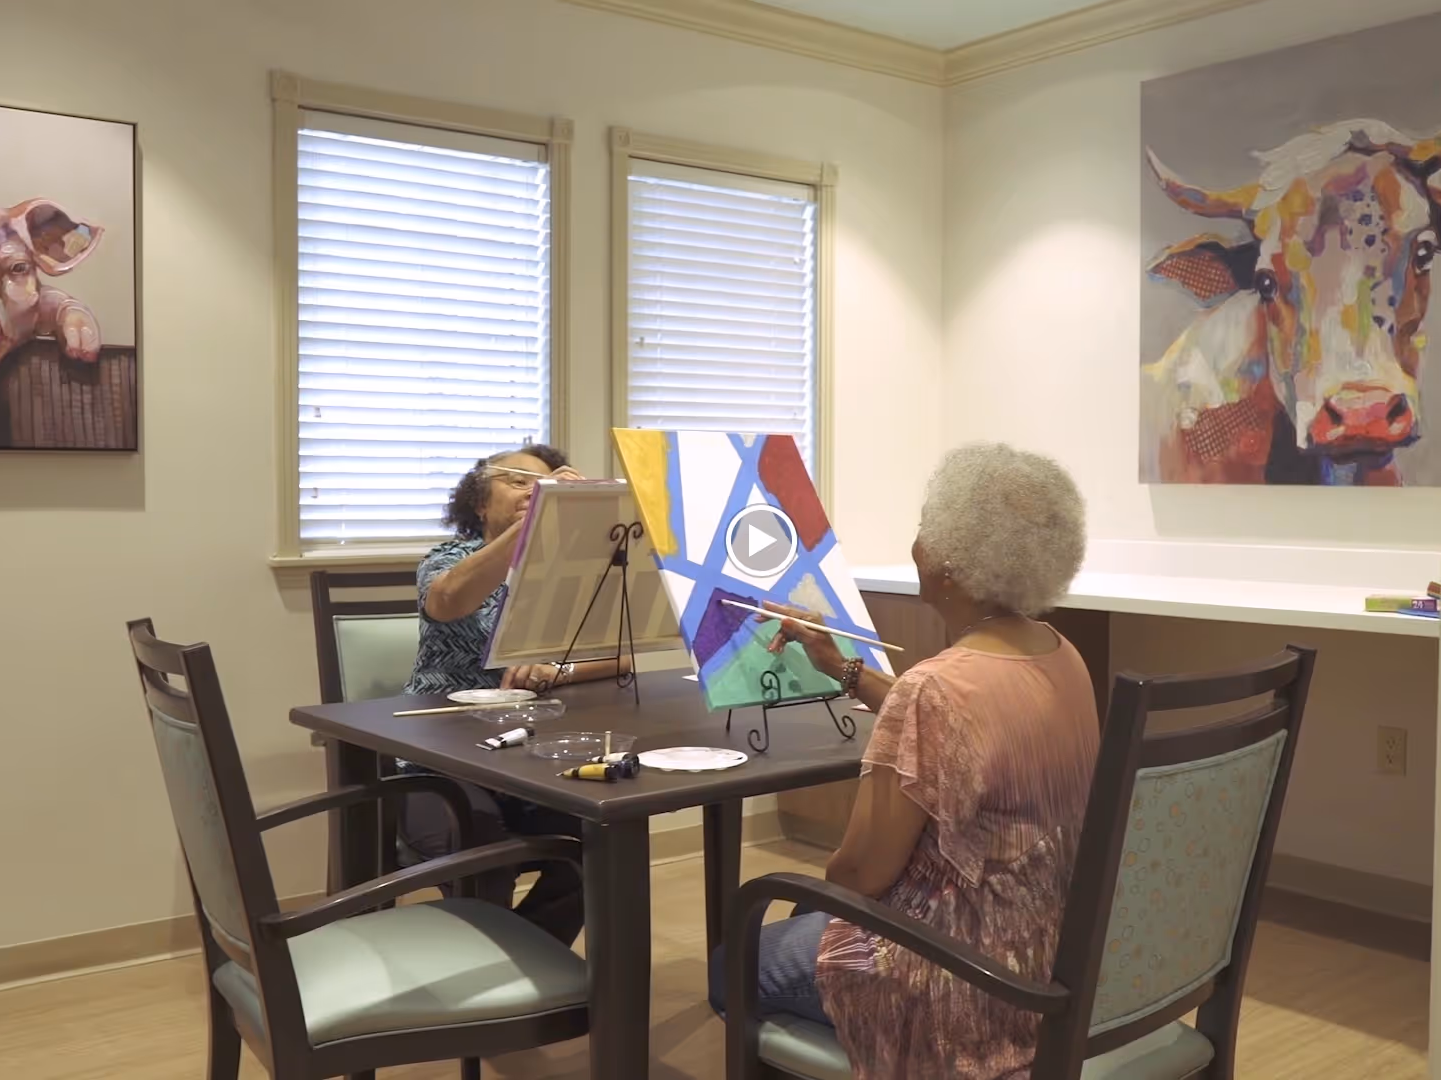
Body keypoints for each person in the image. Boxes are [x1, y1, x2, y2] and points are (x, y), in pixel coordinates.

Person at [707, 442, 1096, 1079]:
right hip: (1045, 946)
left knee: (735, 961)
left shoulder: (936, 690)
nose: (915, 540)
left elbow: (859, 872)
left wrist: (820, 905)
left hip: (955, 975)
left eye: (923, 526)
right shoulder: (1060, 653)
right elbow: (968, 728)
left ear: (947, 562)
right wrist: (842, 669)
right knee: (807, 917)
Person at [397, 443, 628, 945]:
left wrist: (556, 671)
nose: (533, 492)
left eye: (544, 485)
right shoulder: (448, 559)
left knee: (610, 835)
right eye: (519, 482)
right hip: (438, 759)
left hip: (529, 758)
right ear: (480, 503)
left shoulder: (565, 570)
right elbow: (447, 601)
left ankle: (527, 957)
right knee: (481, 847)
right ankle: (495, 978)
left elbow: (622, 655)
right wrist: (529, 529)